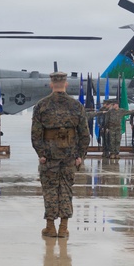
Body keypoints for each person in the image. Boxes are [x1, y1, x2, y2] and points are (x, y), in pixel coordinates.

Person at [31, 72, 89, 237]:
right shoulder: (76, 106)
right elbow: (84, 134)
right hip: (69, 155)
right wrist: (80, 155)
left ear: (51, 84)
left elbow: (36, 134)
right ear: (66, 84)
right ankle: (63, 227)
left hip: (49, 155)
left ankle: (50, 226)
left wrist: (41, 153)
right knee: (66, 189)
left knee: (49, 189)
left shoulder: (42, 105)